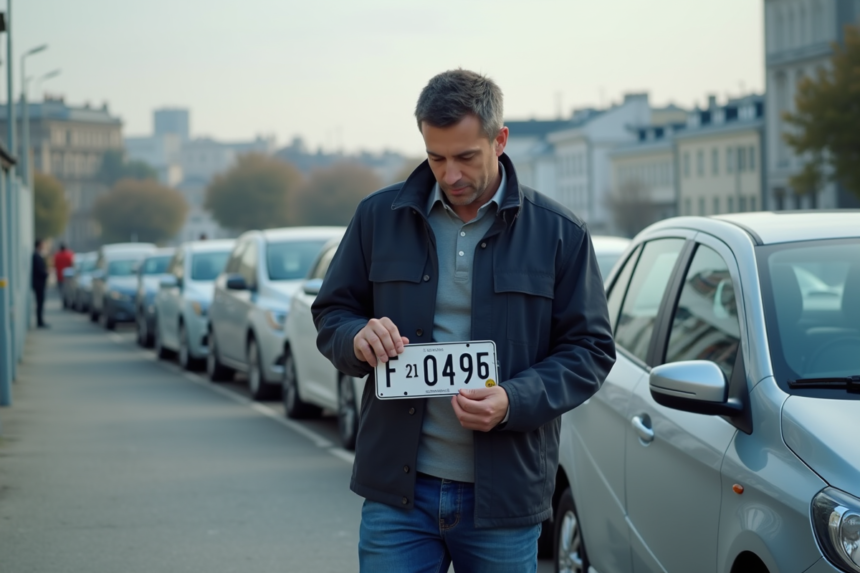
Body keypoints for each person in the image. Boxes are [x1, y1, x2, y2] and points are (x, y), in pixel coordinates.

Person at [312, 69, 616, 572]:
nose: (450, 174)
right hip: (397, 495)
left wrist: (512, 400)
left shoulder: (560, 233)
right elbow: (332, 313)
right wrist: (356, 337)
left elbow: (589, 350)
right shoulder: (376, 218)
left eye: (465, 157)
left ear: (500, 140)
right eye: (436, 158)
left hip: (504, 502)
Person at [31, 239, 50, 328]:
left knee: (40, 303)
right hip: (39, 284)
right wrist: (46, 273)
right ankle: (39, 322)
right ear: (38, 245)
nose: (44, 246)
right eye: (42, 245)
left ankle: (40, 321)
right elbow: (39, 270)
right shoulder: (36, 256)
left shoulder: (39, 255)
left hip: (40, 283)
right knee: (39, 303)